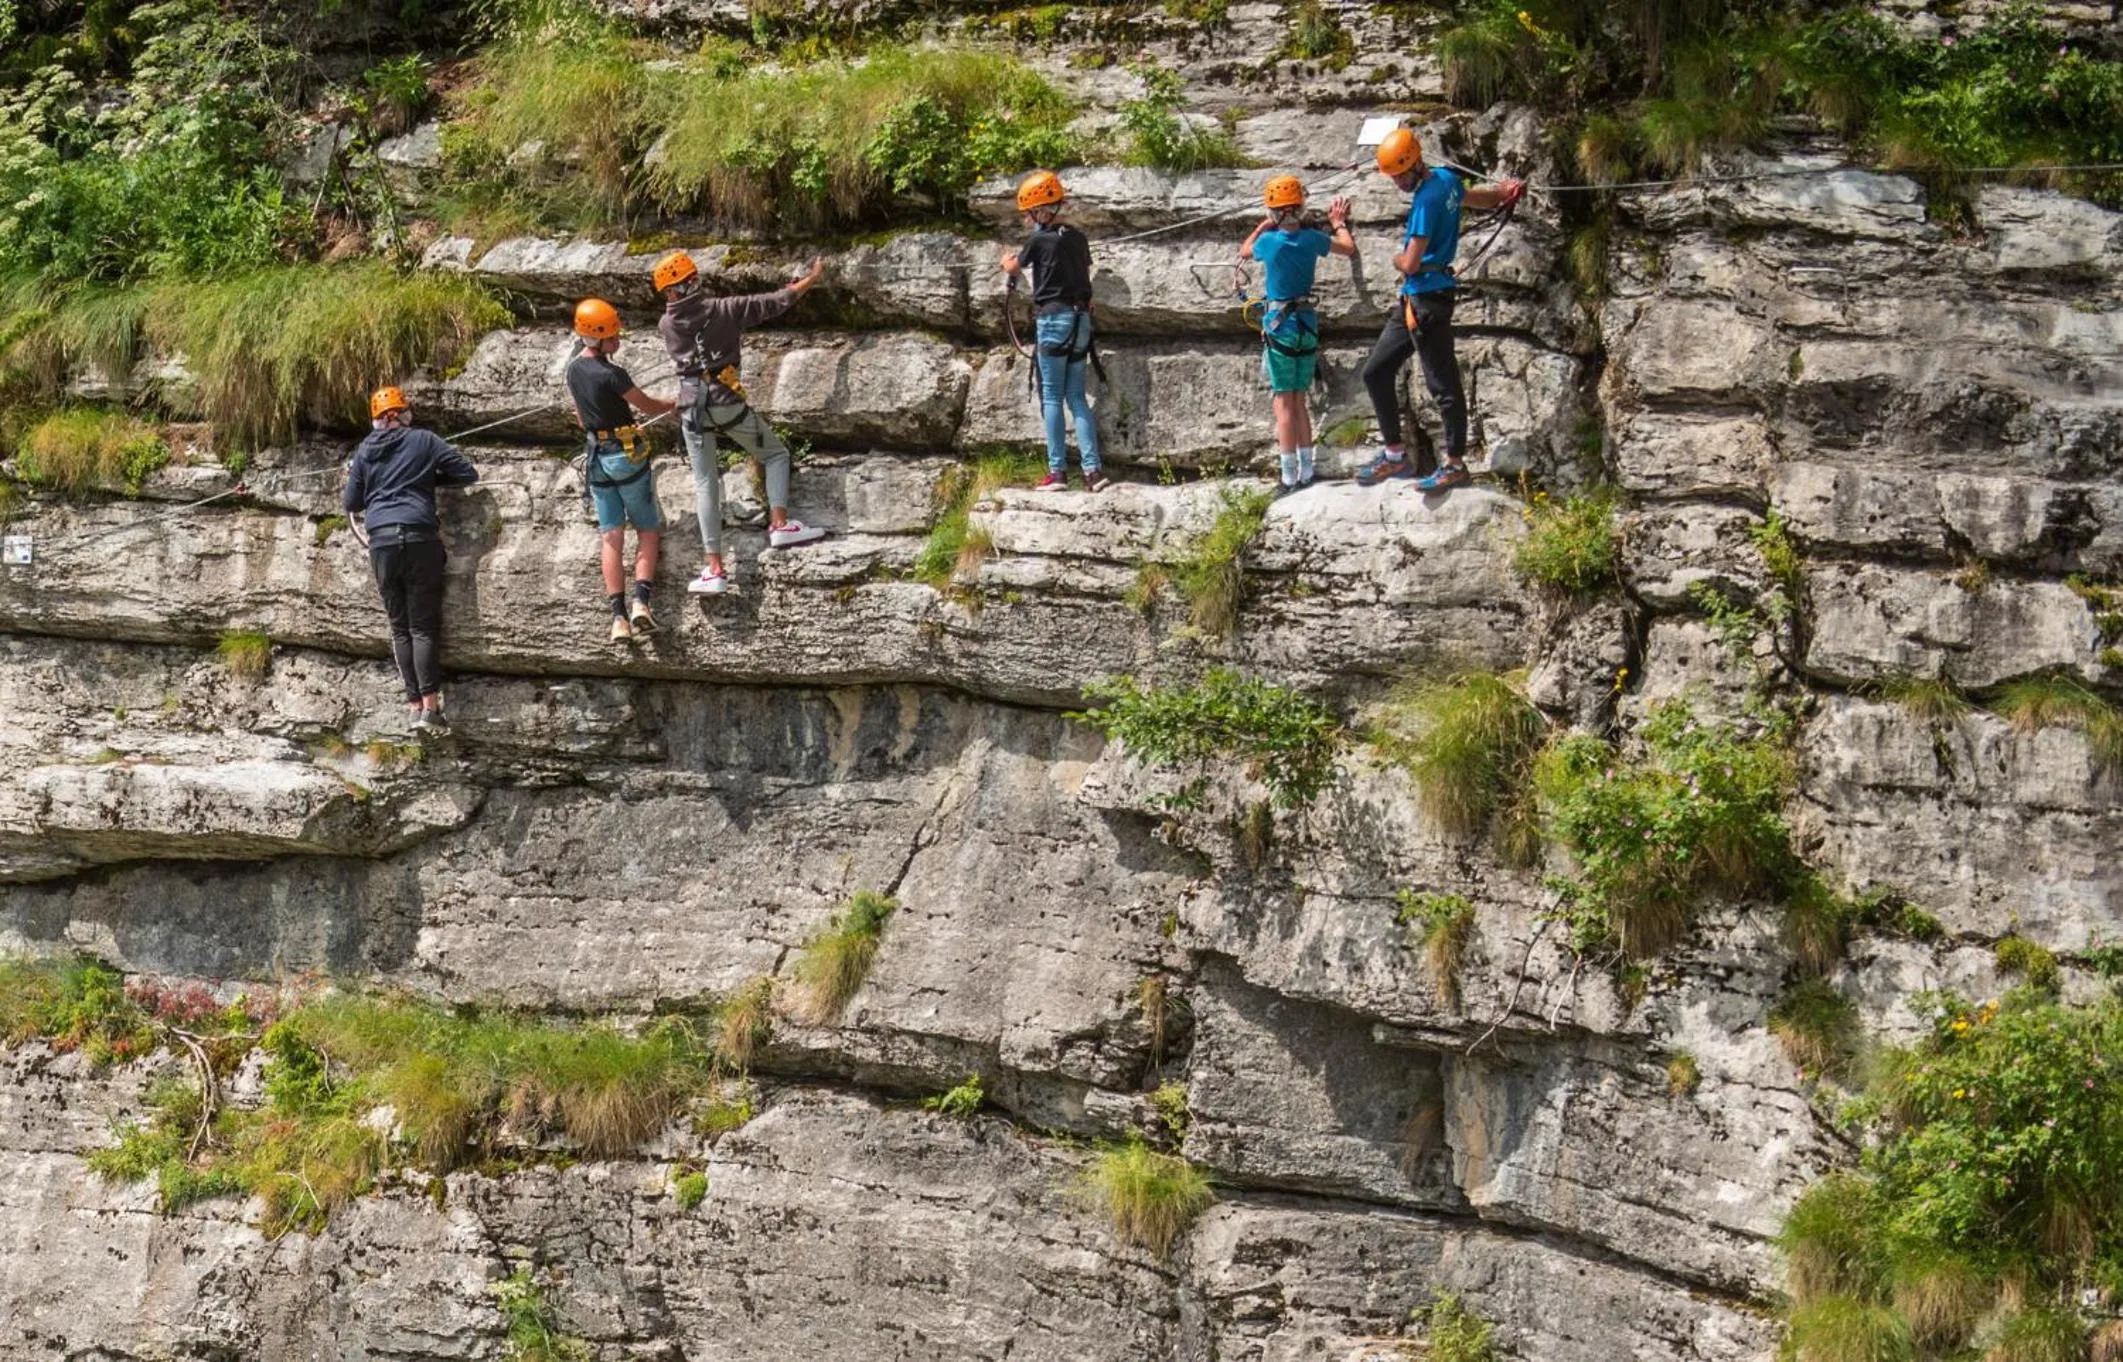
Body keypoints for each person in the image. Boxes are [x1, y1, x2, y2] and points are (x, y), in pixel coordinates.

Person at [652, 249, 830, 597]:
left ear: (669, 292)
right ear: (693, 282)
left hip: (691, 408)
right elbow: (775, 302)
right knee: (775, 455)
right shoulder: (724, 310)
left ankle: (715, 569)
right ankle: (779, 524)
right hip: (724, 402)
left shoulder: (666, 324)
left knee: (705, 483)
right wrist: (812, 278)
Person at [1354, 126, 1524, 492]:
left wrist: (1396, 259)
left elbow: (1412, 262)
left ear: (1415, 164)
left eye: (1400, 174)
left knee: (1441, 384)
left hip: (1427, 299)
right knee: (1376, 371)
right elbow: (1477, 199)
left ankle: (1454, 465)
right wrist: (1504, 194)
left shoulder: (1426, 202)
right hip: (1418, 298)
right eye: (1393, 176)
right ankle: (1395, 455)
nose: (1397, 181)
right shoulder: (1446, 179)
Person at [342, 386, 478, 733]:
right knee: (422, 626)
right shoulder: (424, 441)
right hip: (418, 537)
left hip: (382, 542)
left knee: (400, 627)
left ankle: (414, 706)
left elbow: (351, 503)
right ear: (399, 414)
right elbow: (466, 472)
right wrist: (429, 477)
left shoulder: (364, 451)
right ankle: (431, 709)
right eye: (405, 412)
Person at [566, 297, 677, 642]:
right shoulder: (613, 373)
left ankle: (617, 619)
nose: (619, 340)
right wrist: (674, 405)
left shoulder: (572, 368)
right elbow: (646, 404)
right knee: (647, 529)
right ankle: (641, 603)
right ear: (597, 339)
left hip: (596, 458)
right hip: (624, 457)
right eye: (613, 336)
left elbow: (582, 418)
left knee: (611, 535)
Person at [1237, 175, 1355, 495]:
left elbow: (1244, 250)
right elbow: (1347, 248)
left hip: (1281, 327)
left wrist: (1263, 226)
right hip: (1307, 324)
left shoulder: (1268, 242)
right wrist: (1337, 221)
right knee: (1299, 401)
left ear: (1274, 212)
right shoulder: (1312, 239)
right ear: (1301, 208)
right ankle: (1307, 471)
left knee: (1283, 404)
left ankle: (1289, 478)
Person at [999, 170, 1108, 493]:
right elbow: (1082, 272)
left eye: (1028, 213)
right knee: (1076, 396)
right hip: (1081, 321)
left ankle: (1057, 473)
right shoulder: (1077, 237)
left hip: (1054, 320)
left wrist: (1007, 263)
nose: (1027, 219)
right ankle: (1093, 473)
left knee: (1051, 396)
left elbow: (1015, 266)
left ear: (1039, 210)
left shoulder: (1036, 239)